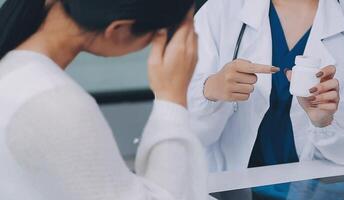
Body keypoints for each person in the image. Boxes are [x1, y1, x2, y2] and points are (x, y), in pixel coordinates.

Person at [0, 0, 208, 199]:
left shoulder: (18, 74)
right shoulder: (53, 100)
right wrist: (171, 98)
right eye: (156, 35)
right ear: (119, 30)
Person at [188, 0, 344, 173]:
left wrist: (325, 123)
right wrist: (209, 89)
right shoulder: (222, 9)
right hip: (230, 187)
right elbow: (185, 130)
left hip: (314, 189)